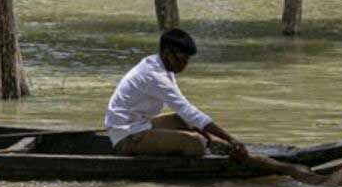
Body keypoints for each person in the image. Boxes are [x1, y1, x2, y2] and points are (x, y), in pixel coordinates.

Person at [104, 29, 247, 159]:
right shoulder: (154, 75)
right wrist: (232, 139)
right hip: (126, 138)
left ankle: (214, 143)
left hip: (140, 125)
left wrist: (214, 136)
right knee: (195, 144)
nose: (184, 64)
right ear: (167, 53)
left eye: (187, 60)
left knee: (182, 120)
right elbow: (188, 110)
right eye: (182, 59)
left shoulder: (160, 66)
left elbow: (186, 112)